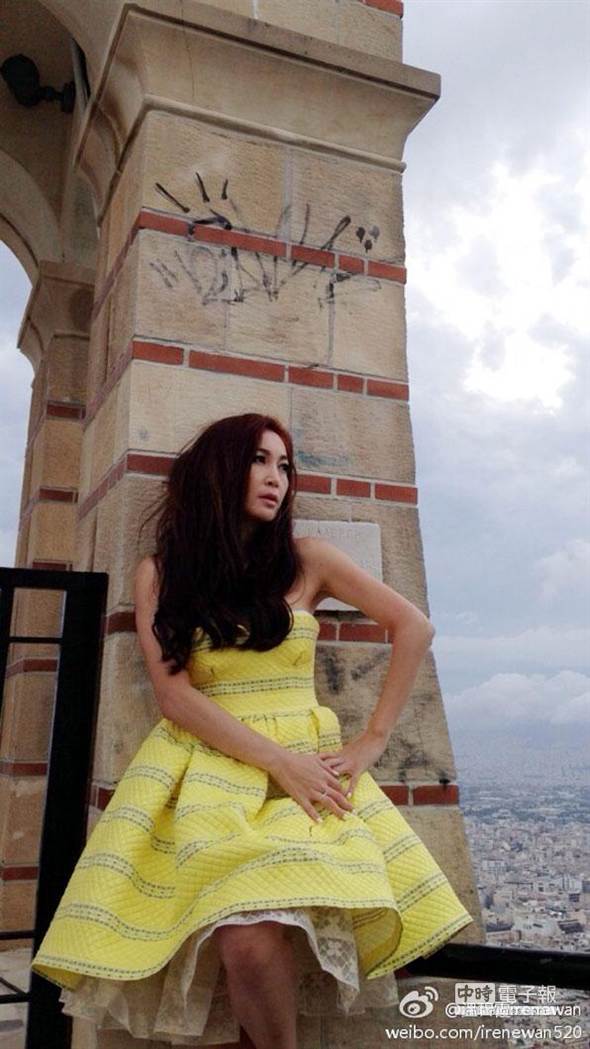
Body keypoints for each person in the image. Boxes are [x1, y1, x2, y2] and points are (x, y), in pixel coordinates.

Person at [31, 411, 474, 1048]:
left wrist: (371, 740)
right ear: (218, 471)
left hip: (304, 770)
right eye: (259, 461)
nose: (276, 479)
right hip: (205, 772)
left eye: (285, 466)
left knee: (267, 932)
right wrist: (278, 761)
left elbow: (414, 627)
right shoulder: (161, 572)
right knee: (240, 935)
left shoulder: (307, 560)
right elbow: (174, 696)